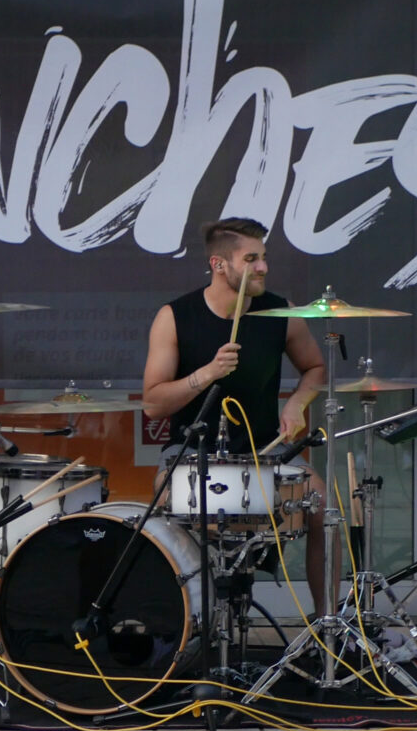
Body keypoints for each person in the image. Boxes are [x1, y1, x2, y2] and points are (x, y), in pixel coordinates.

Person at [141, 218, 331, 612]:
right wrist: (206, 374)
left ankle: (326, 622)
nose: (263, 267)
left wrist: (296, 404)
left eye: (264, 257)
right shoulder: (175, 316)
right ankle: (182, 620)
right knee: (163, 500)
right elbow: (153, 404)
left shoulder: (280, 312)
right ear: (219, 264)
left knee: (322, 505)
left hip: (264, 449)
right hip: (192, 451)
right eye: (251, 259)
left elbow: (315, 368)